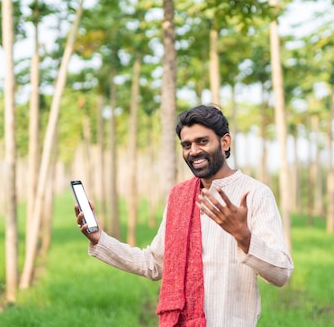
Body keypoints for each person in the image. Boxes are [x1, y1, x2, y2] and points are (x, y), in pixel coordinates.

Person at [75, 105, 293, 327]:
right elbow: (154, 263)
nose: (193, 151)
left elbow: (281, 274)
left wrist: (244, 237)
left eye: (202, 141)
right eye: (186, 145)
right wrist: (100, 239)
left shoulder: (255, 193)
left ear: (225, 142)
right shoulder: (179, 197)